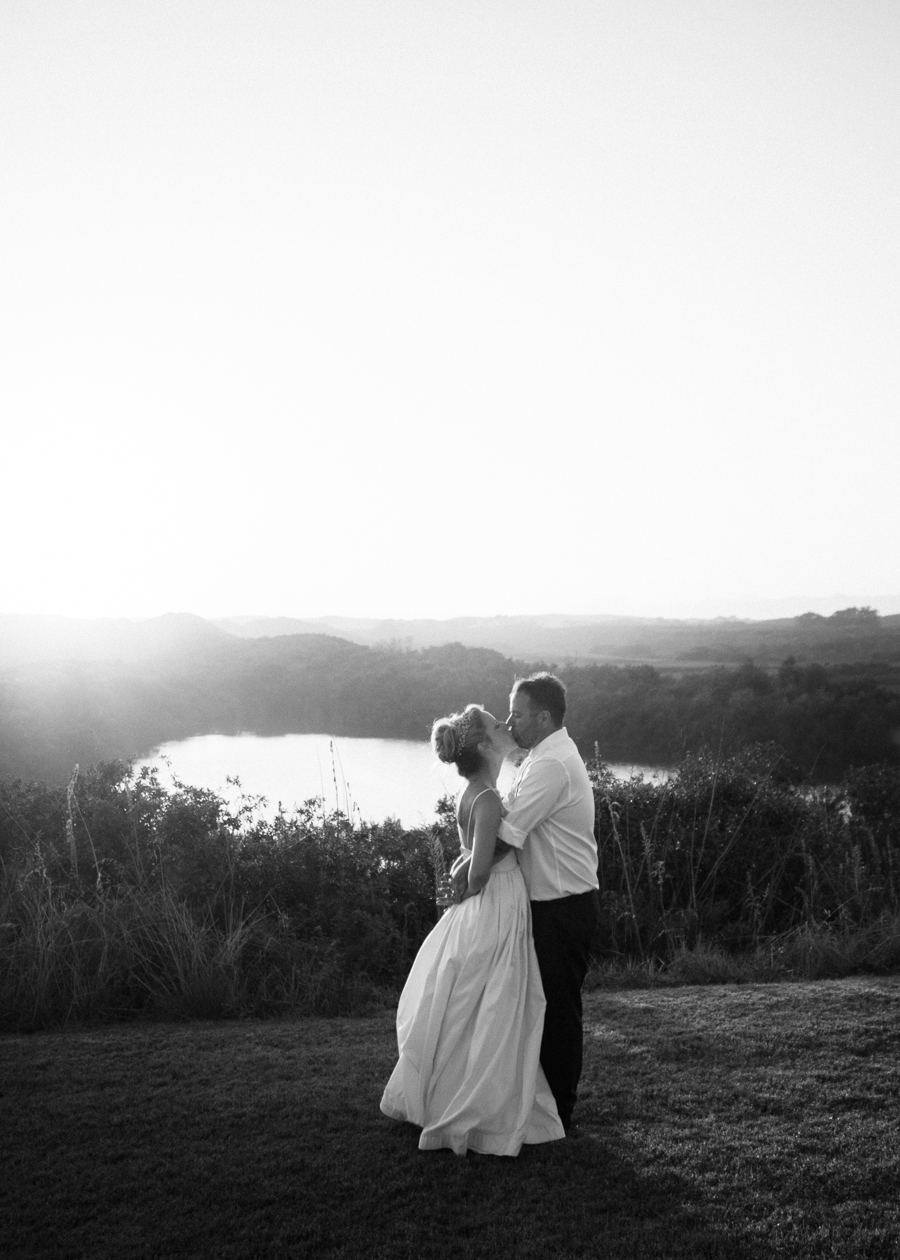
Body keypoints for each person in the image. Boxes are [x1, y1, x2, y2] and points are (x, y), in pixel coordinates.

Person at [380, 704, 565, 1157]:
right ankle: (474, 1105)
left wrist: (460, 882)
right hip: (496, 902)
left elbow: (468, 858)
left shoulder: (473, 792)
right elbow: (480, 870)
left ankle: (448, 1091)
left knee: (473, 1001)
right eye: (498, 726)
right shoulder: (489, 799)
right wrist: (469, 885)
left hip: (484, 904)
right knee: (494, 1001)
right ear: (484, 745)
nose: (506, 726)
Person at [452, 673, 599, 1133]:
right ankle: (532, 1101)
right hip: (544, 904)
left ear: (543, 717)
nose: (511, 722)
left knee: (558, 1009)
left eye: (516, 714)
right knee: (533, 1004)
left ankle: (561, 1110)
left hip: (563, 906)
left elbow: (508, 835)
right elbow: (501, 821)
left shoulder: (551, 766)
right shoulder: (539, 758)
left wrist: (465, 871)